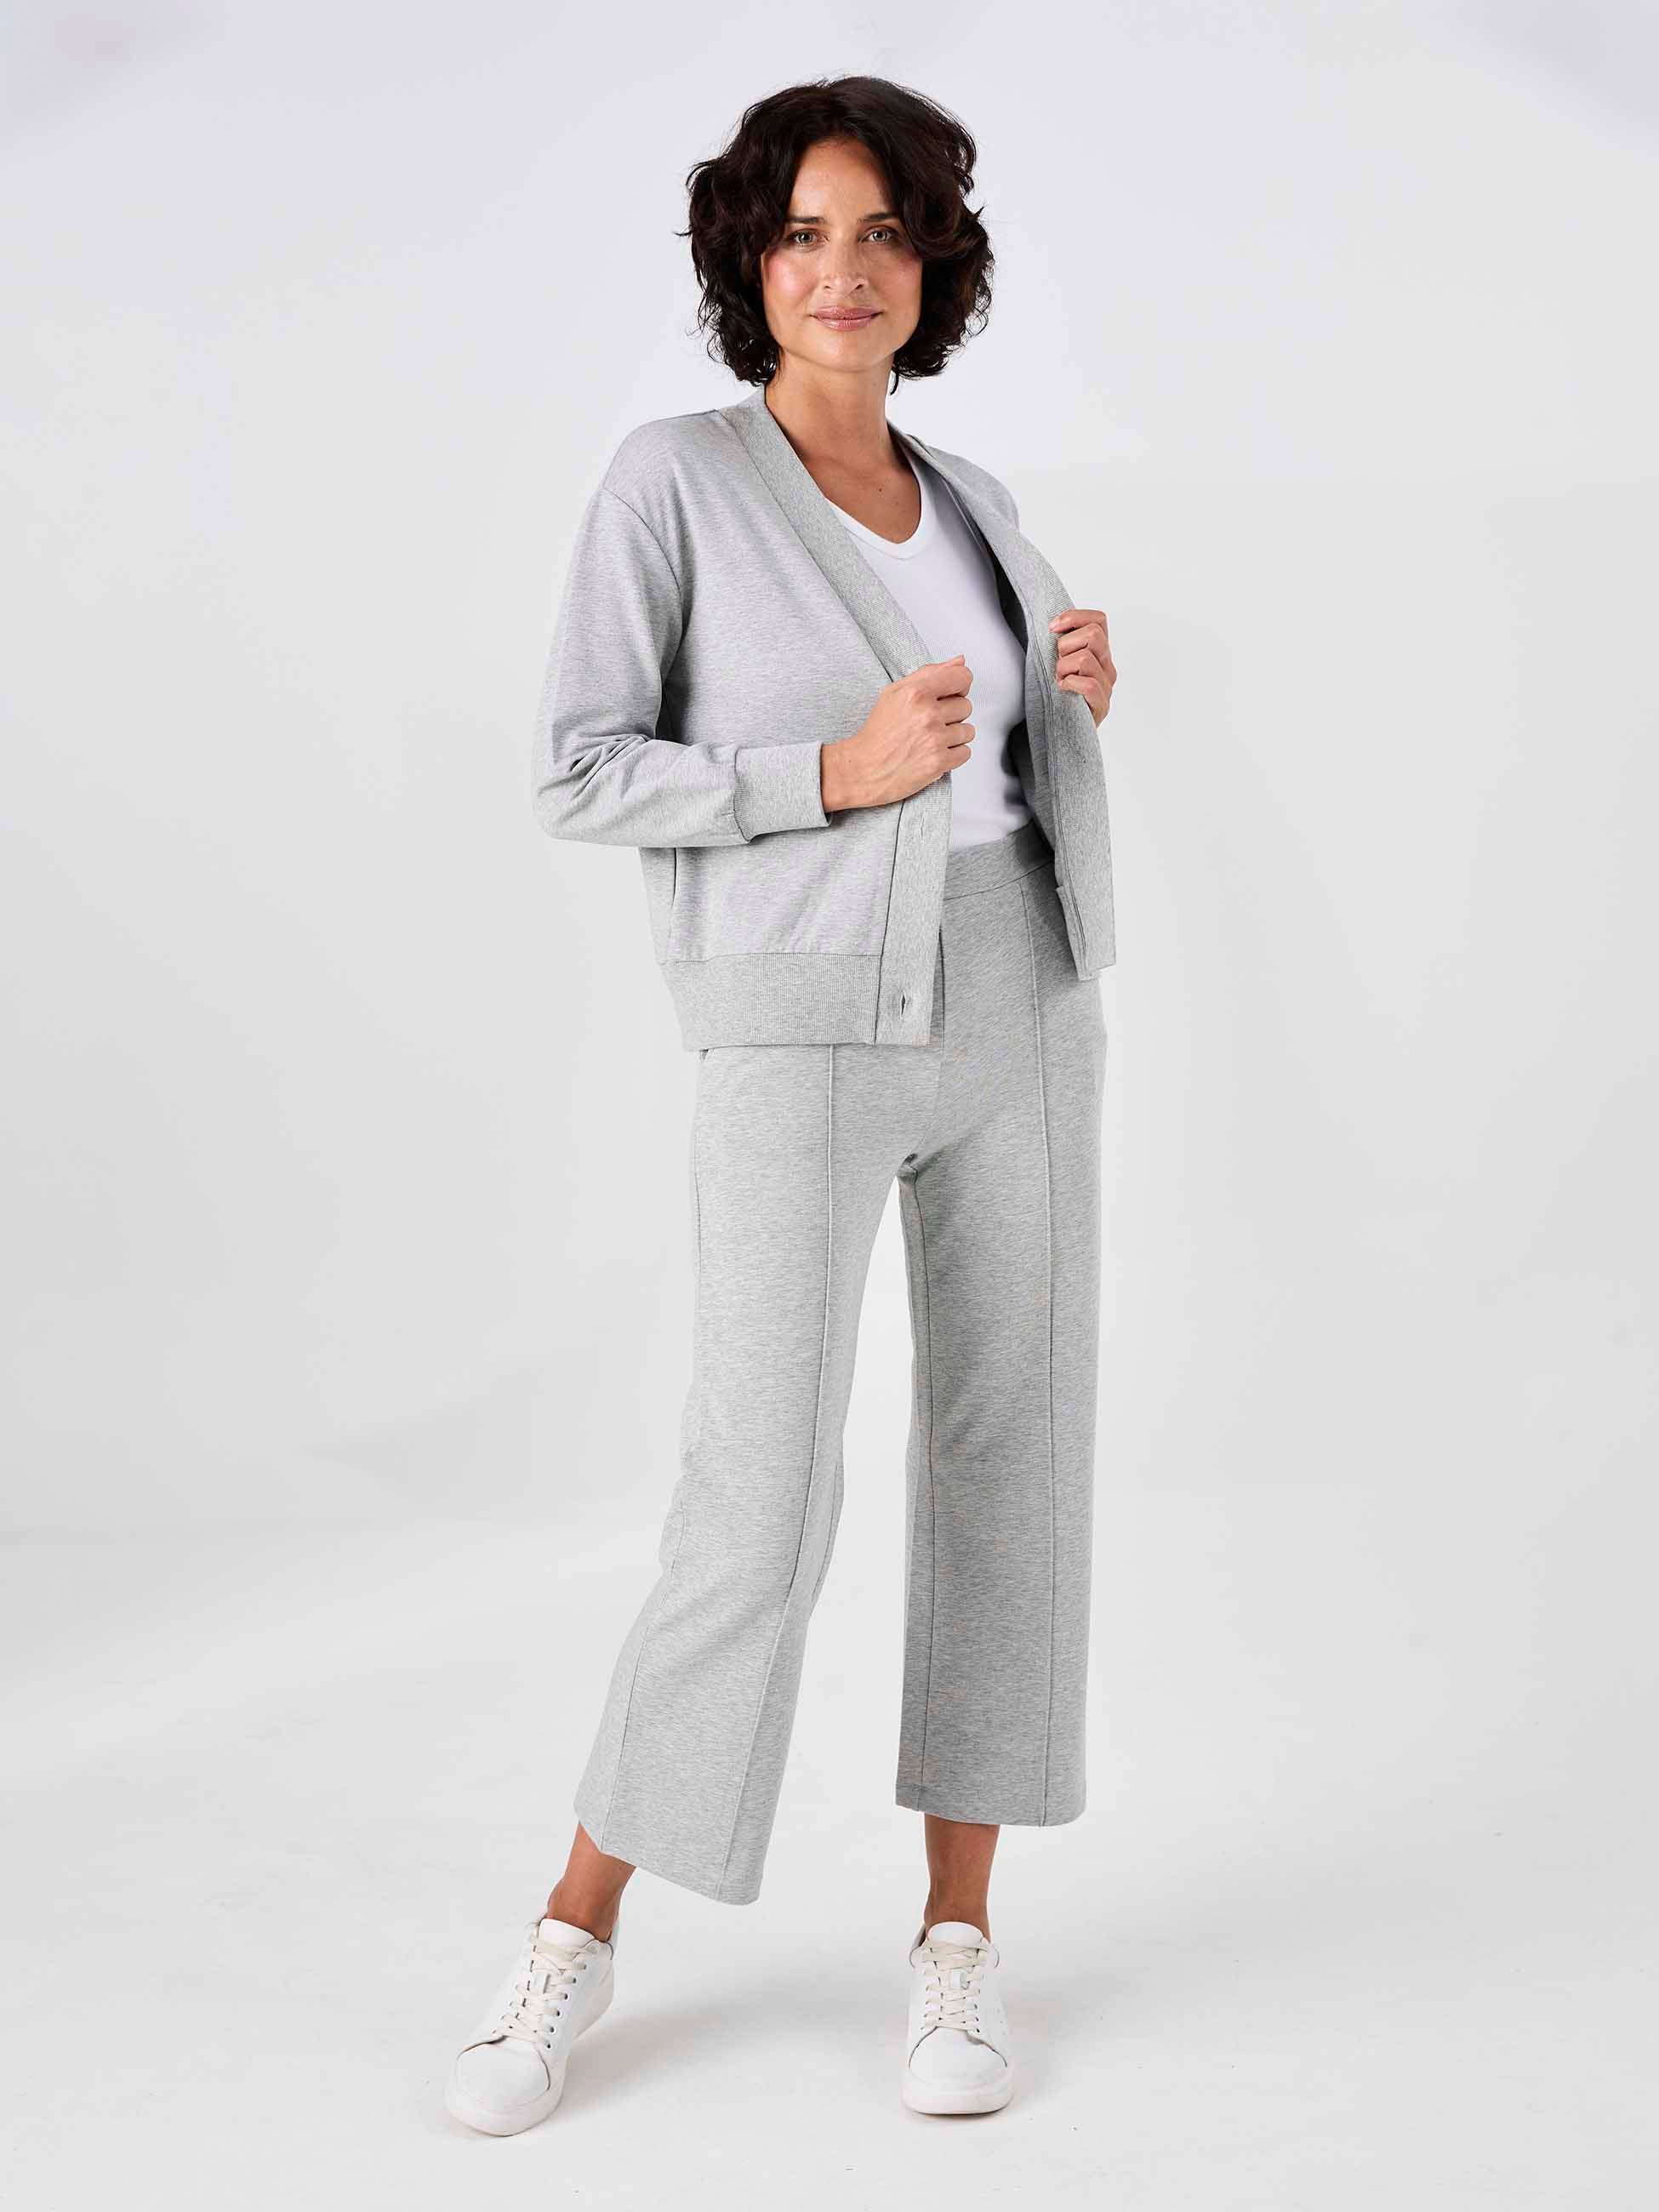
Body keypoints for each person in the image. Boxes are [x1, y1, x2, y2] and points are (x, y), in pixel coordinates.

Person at [445, 73, 1119, 2135]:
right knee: (756, 1493)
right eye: (808, 232)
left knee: (1011, 1464)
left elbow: (989, 772)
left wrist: (1067, 695)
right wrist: (824, 772)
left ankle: (958, 1939)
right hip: (800, 1022)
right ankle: (572, 1932)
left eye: (886, 233)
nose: (847, 270)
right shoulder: (675, 482)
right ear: (750, 261)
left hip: (1025, 998)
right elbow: (578, 765)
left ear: (934, 268)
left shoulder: (977, 497)